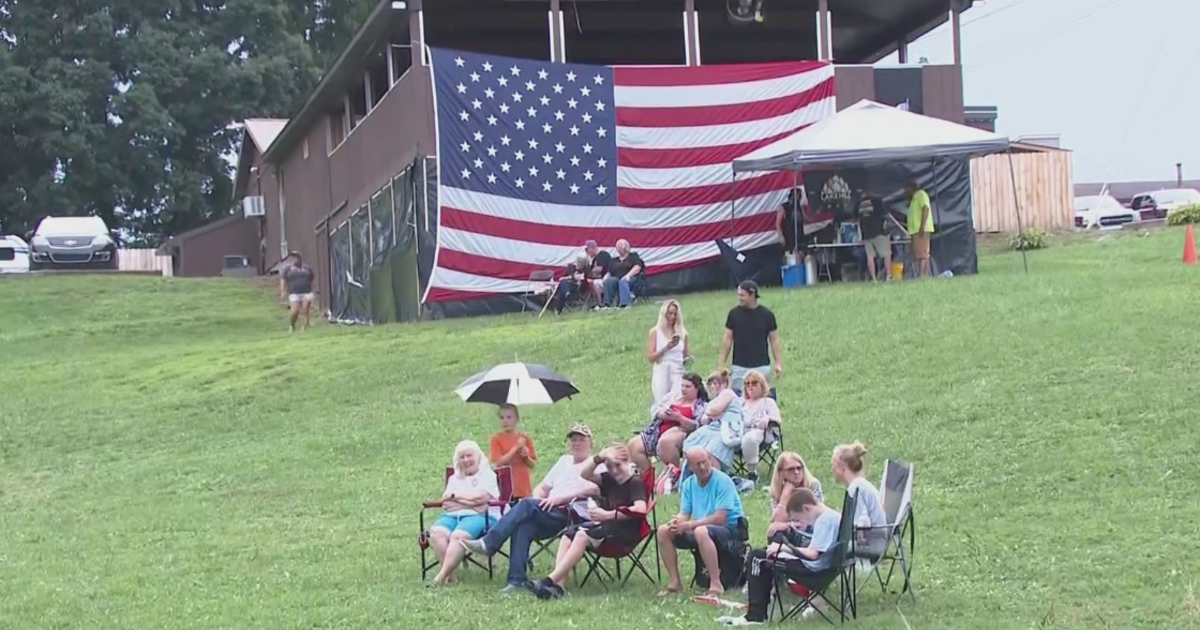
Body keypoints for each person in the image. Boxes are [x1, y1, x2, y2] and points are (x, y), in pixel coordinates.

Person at [462, 425, 600, 594]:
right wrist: (539, 498)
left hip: (573, 514)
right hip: (550, 511)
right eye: (573, 440)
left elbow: (596, 490)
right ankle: (516, 580)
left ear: (591, 443)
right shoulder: (564, 461)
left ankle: (489, 543)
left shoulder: (594, 464)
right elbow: (543, 486)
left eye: (581, 440)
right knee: (523, 525)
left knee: (526, 504)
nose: (577, 443)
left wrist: (560, 499)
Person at [530, 444, 648, 599]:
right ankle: (558, 587)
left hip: (625, 533)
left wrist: (608, 515)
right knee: (568, 535)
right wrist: (599, 458)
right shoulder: (609, 479)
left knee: (581, 535)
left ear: (627, 462)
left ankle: (548, 580)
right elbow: (585, 474)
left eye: (617, 465)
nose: (614, 470)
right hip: (608, 528)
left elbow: (640, 509)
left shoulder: (635, 482)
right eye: (609, 466)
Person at [719, 488, 840, 625]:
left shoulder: (824, 520)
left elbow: (813, 555)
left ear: (806, 508)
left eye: (798, 518)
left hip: (813, 570)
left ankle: (755, 616)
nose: (803, 522)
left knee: (757, 557)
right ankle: (757, 610)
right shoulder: (833, 516)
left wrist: (783, 548)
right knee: (766, 554)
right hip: (824, 568)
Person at [656, 447, 746, 598]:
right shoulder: (689, 484)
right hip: (703, 527)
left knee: (701, 531)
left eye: (705, 462)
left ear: (710, 460)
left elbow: (720, 518)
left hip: (731, 529)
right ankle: (675, 582)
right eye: (698, 464)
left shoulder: (723, 481)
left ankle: (716, 585)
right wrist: (677, 522)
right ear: (690, 467)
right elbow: (685, 513)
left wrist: (689, 525)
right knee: (663, 531)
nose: (703, 467)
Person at [429, 441, 501, 586]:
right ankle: (452, 577)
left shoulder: (487, 475)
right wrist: (471, 503)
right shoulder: (454, 478)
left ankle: (441, 577)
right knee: (437, 534)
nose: (466, 460)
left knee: (458, 536)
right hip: (453, 516)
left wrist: (455, 497)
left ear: (478, 456)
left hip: (483, 517)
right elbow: (446, 503)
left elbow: (481, 499)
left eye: (469, 455)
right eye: (462, 457)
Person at [629, 372, 708, 474]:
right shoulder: (673, 397)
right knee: (634, 444)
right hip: (657, 431)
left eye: (688, 387)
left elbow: (697, 425)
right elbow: (655, 409)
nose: (683, 389)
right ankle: (648, 476)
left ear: (697, 388)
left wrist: (680, 418)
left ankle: (675, 475)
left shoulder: (701, 405)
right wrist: (664, 414)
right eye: (682, 386)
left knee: (665, 442)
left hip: (682, 433)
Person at [680, 369, 743, 483]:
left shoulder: (727, 393)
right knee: (690, 442)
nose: (713, 387)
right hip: (712, 428)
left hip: (727, 430)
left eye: (715, 383)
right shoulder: (715, 399)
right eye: (711, 384)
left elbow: (714, 410)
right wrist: (713, 413)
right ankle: (691, 477)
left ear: (723, 384)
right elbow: (704, 419)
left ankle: (714, 481)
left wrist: (713, 412)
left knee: (711, 451)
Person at [719, 280, 782, 391]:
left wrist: (778, 363)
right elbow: (727, 339)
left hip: (761, 365)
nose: (739, 298)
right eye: (738, 295)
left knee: (761, 397)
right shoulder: (734, 314)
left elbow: (774, 340)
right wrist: (722, 362)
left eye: (742, 295)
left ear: (752, 294)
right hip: (739, 366)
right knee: (739, 397)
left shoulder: (767, 315)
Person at [831, 441, 888, 556]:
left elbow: (862, 523)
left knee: (827, 546)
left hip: (872, 544)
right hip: (878, 539)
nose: (832, 470)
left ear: (842, 466)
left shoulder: (856, 488)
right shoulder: (861, 484)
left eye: (834, 465)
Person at [737, 370, 782, 490]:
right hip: (738, 431)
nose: (750, 386)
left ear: (761, 385)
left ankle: (752, 473)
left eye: (754, 383)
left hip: (758, 432)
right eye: (747, 384)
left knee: (749, 438)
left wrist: (767, 418)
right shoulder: (740, 402)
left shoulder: (767, 401)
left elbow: (778, 420)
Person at [766, 452, 824, 541]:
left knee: (776, 531)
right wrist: (785, 495)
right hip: (791, 531)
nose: (796, 472)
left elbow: (811, 518)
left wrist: (785, 525)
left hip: (812, 531)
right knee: (775, 534)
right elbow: (777, 521)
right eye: (791, 469)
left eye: (799, 468)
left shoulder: (812, 485)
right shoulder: (777, 490)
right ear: (781, 473)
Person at [488, 404, 537, 499]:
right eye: (502, 418)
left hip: (523, 487)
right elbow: (498, 462)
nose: (505, 421)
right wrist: (515, 448)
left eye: (509, 417)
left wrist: (526, 456)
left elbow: (532, 465)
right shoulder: (496, 439)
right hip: (506, 487)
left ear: (516, 419)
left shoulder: (524, 438)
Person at [646, 299, 691, 401]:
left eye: (675, 314)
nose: (672, 317)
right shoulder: (655, 332)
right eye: (670, 313)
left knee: (677, 399)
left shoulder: (683, 333)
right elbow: (651, 358)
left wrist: (689, 359)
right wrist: (667, 347)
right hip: (662, 369)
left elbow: (686, 355)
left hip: (678, 369)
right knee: (661, 400)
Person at [857, 187, 892, 281]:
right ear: (872, 193)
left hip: (865, 233)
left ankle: (873, 278)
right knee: (887, 254)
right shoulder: (877, 201)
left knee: (870, 256)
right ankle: (888, 276)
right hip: (878, 232)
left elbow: (855, 217)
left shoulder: (859, 203)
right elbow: (884, 214)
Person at [904, 180, 935, 278]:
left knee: (923, 253)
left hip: (921, 229)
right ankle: (921, 274)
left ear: (911, 188)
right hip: (915, 231)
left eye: (905, 189)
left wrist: (923, 226)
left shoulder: (921, 194)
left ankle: (922, 275)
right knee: (917, 253)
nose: (904, 192)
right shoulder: (914, 199)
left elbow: (925, 209)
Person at [601, 239, 645, 308]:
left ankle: (625, 304)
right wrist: (605, 278)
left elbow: (638, 266)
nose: (619, 247)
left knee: (623, 281)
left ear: (627, 246)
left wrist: (628, 275)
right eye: (617, 245)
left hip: (632, 278)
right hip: (617, 278)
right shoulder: (614, 260)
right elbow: (609, 271)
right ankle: (607, 304)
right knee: (609, 281)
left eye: (621, 245)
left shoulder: (633, 257)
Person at [279, 251, 316, 332]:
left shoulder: (307, 268)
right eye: (292, 258)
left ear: (300, 258)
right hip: (294, 293)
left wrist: (314, 289)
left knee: (305, 310)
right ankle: (292, 325)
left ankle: (304, 328)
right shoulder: (287, 269)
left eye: (296, 258)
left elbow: (311, 279)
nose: (294, 260)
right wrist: (283, 291)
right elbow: (283, 280)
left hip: (307, 292)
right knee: (294, 311)